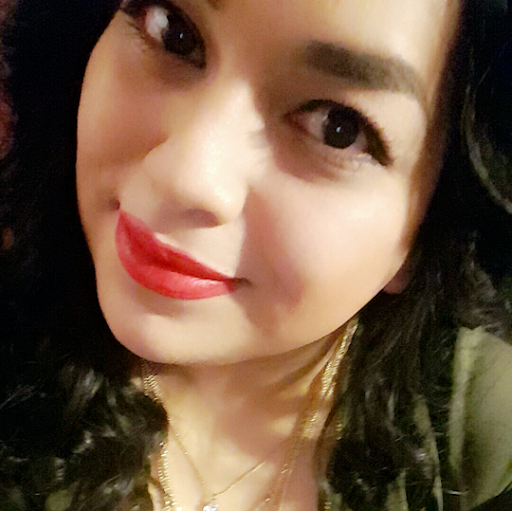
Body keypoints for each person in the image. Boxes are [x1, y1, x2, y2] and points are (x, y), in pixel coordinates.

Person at [0, 0, 510, 510]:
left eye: (338, 127)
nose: (183, 176)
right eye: (173, 31)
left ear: (432, 222)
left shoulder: (480, 423)